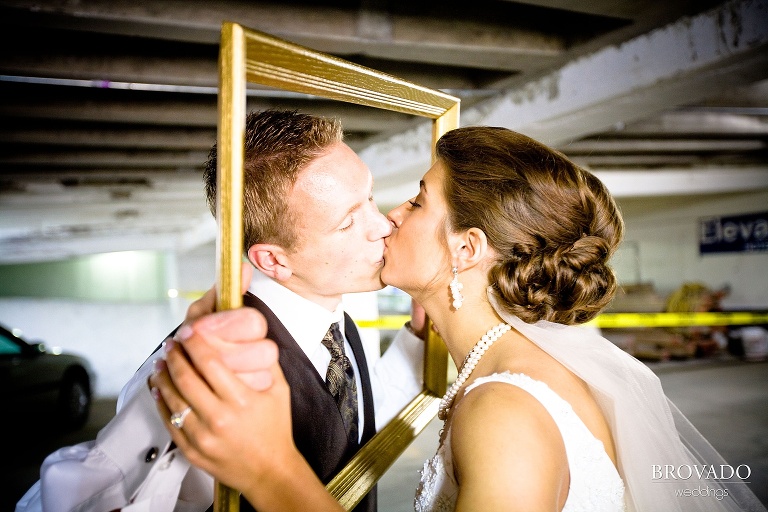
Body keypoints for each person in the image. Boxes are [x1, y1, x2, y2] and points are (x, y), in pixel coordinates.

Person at [150, 126, 767, 512]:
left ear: (467, 249)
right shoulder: (514, 370)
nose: (389, 219)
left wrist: (270, 470)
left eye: (417, 201)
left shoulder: (504, 412)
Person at [16, 110, 425, 512]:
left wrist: (417, 341)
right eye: (347, 223)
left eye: (369, 197)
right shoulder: (209, 364)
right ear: (273, 260)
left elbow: (345, 430)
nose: (383, 225)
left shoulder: (335, 324)